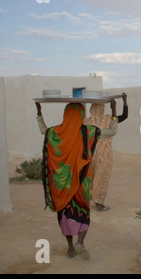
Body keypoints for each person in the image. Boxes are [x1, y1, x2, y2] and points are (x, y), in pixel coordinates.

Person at [35, 100, 118, 259]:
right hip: (82, 180)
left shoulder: (55, 132)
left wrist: (39, 113)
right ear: (81, 115)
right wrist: (114, 111)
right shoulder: (89, 131)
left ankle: (70, 248)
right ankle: (81, 241)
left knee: (65, 213)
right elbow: (111, 132)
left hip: (61, 183)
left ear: (65, 114)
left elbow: (42, 130)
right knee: (82, 210)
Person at [83, 93, 128, 212]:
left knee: (89, 178)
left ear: (92, 108)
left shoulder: (86, 121)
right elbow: (124, 116)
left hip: (89, 155)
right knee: (101, 178)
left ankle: (85, 201)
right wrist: (122, 102)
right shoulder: (108, 119)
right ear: (102, 108)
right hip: (104, 156)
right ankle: (99, 203)